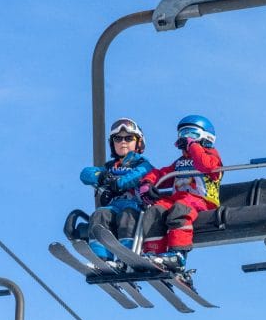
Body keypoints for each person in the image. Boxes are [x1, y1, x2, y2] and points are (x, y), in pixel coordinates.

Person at [140, 115, 223, 270]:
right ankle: (154, 252)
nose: (186, 137)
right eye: (183, 134)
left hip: (202, 200)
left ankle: (177, 254)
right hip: (179, 199)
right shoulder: (179, 162)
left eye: (192, 133)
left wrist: (194, 146)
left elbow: (207, 166)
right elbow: (162, 173)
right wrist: (147, 183)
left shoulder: (212, 156)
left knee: (179, 209)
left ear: (206, 137)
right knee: (156, 210)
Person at [79, 118, 154, 261]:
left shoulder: (143, 164)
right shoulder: (110, 167)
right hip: (114, 206)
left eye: (128, 138)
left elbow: (138, 175)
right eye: (118, 139)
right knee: (100, 214)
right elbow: (85, 174)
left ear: (139, 142)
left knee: (127, 216)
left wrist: (118, 182)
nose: (123, 142)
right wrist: (101, 176)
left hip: (135, 206)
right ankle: (101, 258)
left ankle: (126, 256)